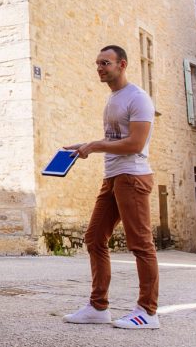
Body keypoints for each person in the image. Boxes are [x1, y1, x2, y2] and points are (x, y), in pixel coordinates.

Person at [63, 45, 160, 329]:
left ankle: (148, 312)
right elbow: (115, 140)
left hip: (133, 176)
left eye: (105, 63)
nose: (100, 68)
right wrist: (84, 145)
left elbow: (135, 143)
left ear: (123, 64)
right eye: (97, 64)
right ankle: (98, 306)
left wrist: (94, 147)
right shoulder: (114, 98)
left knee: (141, 244)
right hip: (114, 177)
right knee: (94, 238)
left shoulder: (138, 98)